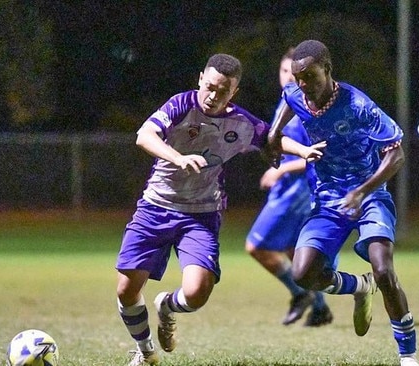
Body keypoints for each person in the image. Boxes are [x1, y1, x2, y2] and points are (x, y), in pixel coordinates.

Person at [114, 53, 324, 366]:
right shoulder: (180, 105)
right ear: (200, 78)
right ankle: (145, 352)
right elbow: (144, 136)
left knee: (197, 293)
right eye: (209, 86)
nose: (213, 95)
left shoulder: (239, 122)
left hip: (200, 215)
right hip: (155, 208)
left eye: (222, 91)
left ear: (233, 92)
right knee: (126, 291)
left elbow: (272, 139)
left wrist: (303, 150)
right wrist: (177, 157)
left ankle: (168, 308)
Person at [266, 40, 419, 366]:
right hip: (327, 201)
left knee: (382, 268)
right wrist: (273, 136)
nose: (303, 85)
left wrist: (363, 191)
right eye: (298, 78)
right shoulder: (297, 93)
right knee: (303, 273)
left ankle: (408, 355)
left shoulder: (358, 105)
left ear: (328, 70)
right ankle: (358, 287)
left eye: (310, 76)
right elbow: (287, 100)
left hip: (369, 196)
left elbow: (396, 154)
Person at [245, 48, 333, 327]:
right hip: (291, 190)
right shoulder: (288, 103)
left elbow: (318, 153)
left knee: (256, 246)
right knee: (294, 252)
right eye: (284, 72)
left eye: (294, 73)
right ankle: (320, 309)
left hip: (298, 191)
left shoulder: (309, 108)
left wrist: (282, 168)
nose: (289, 78)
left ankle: (300, 295)